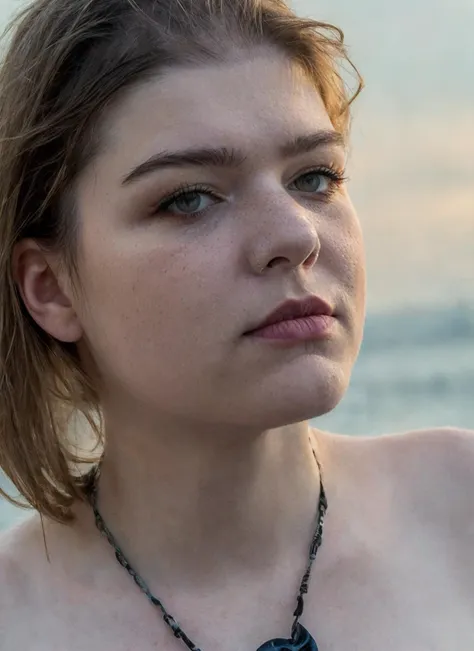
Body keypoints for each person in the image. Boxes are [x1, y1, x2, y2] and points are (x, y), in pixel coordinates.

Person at [0, 0, 472, 648]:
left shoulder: (460, 505)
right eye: (189, 198)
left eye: (315, 177)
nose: (296, 233)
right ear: (51, 288)